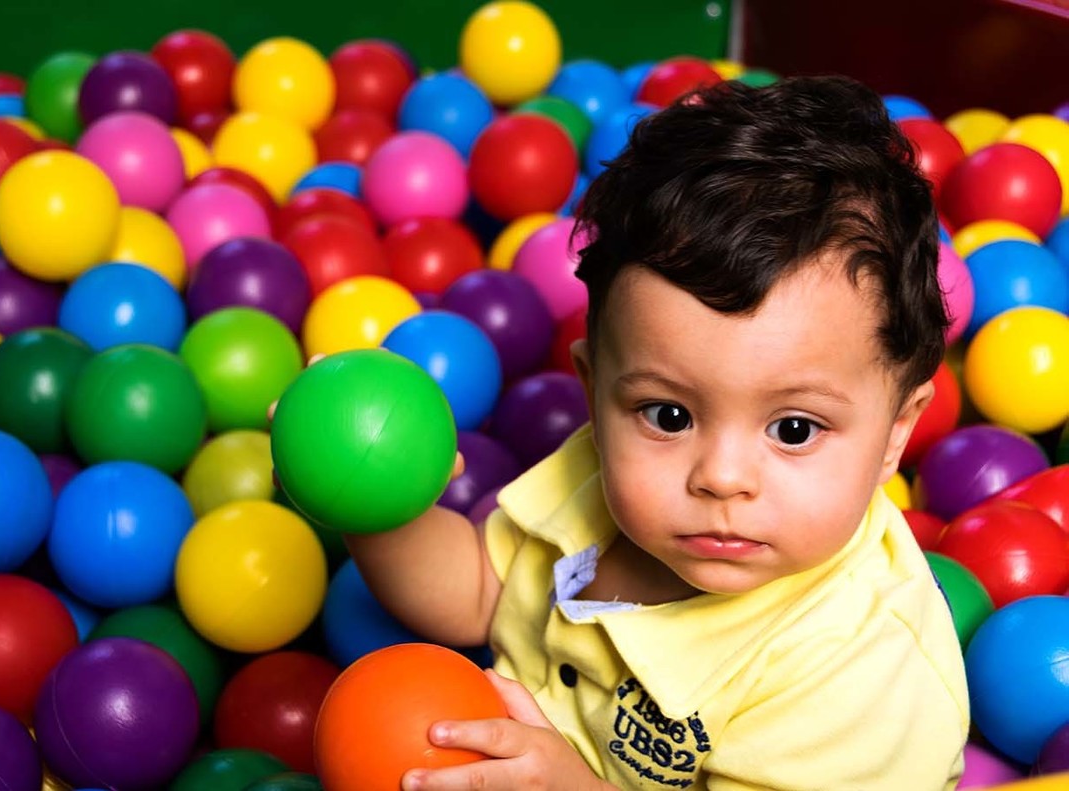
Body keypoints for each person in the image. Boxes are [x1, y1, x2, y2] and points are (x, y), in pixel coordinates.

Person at [340, 75, 970, 790]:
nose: (722, 474)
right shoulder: (594, 485)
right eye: (669, 415)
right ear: (595, 391)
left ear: (896, 432)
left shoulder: (860, 675)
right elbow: (478, 592)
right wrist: (367, 499)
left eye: (794, 428)